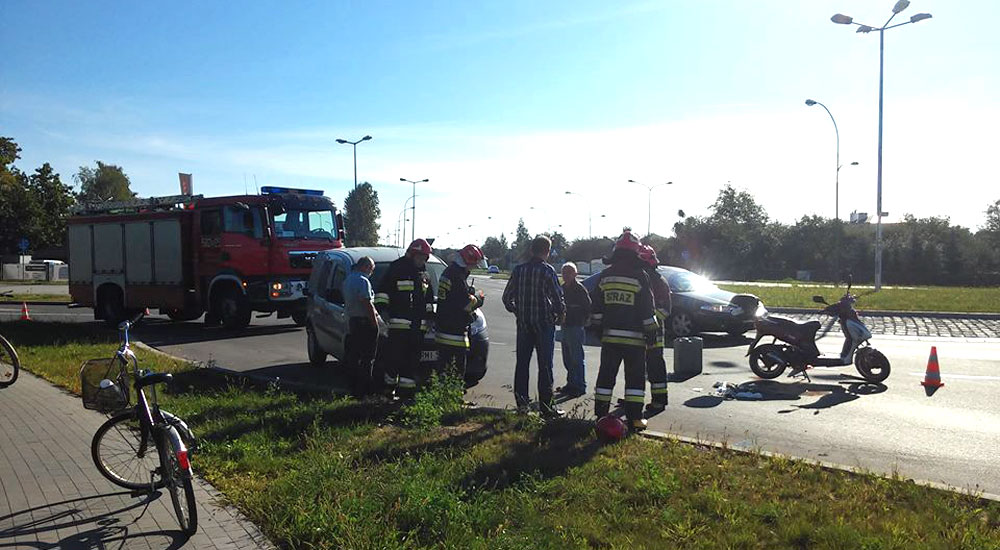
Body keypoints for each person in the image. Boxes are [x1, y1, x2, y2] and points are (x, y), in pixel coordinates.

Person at [589, 231, 657, 431]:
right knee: (635, 380)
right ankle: (635, 419)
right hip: (635, 341)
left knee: (605, 377)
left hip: (610, 339)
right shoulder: (640, 276)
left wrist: (598, 329)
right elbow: (647, 309)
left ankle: (601, 415)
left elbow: (597, 307)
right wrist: (652, 334)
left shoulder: (605, 275)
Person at [502, 235, 566, 418]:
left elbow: (507, 298)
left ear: (531, 249)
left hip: (524, 325)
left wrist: (517, 311)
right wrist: (560, 314)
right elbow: (557, 297)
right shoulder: (547, 271)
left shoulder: (519, 270)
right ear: (547, 251)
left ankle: (522, 404)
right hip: (544, 324)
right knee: (545, 366)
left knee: (522, 364)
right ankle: (546, 407)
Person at [374, 239, 432, 399]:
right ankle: (387, 390)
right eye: (421, 257)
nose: (423, 261)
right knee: (393, 360)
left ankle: (406, 395)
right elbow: (382, 293)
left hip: (417, 328)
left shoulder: (424, 274)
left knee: (412, 362)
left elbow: (428, 300)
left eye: (425, 258)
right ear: (412, 254)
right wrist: (384, 312)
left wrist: (429, 318)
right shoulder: (396, 268)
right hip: (398, 326)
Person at [436, 244, 487, 380]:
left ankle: (446, 397)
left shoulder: (449, 272)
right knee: (456, 369)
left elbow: (452, 298)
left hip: (445, 329)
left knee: (444, 369)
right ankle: (453, 397)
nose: (474, 267)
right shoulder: (457, 276)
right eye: (474, 264)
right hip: (455, 332)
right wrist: (478, 299)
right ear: (467, 261)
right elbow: (466, 305)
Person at [638, 245, 672, 411]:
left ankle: (659, 400)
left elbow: (666, 310)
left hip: (654, 334)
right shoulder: (646, 279)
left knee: (655, 367)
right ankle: (635, 398)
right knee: (638, 368)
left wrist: (648, 320)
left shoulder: (658, 282)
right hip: (642, 332)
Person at [342, 256, 382, 397]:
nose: (371, 272)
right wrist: (375, 323)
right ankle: (366, 390)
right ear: (365, 267)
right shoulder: (363, 281)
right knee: (368, 357)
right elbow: (366, 303)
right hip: (364, 323)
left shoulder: (348, 280)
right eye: (371, 269)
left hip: (353, 322)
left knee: (354, 356)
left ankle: (353, 388)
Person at [557, 262, 590, 398]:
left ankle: (580, 385)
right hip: (564, 326)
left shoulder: (580, 289)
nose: (566, 275)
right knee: (567, 358)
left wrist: (584, 319)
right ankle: (571, 384)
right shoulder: (562, 288)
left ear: (575, 274)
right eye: (564, 273)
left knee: (577, 358)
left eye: (569, 272)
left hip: (576, 326)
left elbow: (588, 306)